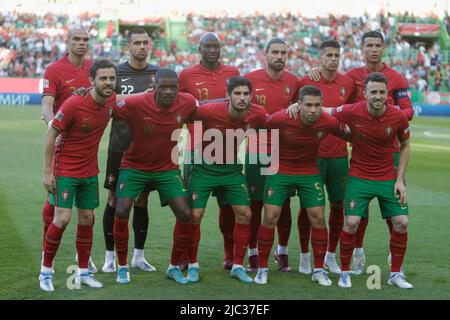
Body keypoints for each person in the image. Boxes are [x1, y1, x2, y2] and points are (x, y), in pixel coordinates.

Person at [308, 31, 413, 274]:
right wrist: (315, 71)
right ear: (362, 49)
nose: (373, 50)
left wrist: (386, 117)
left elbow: (408, 111)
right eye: (369, 46)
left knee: (395, 210)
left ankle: (394, 258)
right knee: (358, 209)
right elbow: (340, 102)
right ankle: (358, 250)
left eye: (378, 45)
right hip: (362, 151)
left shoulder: (396, 78)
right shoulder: (352, 76)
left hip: (391, 149)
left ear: (384, 48)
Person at [111, 69, 198, 285]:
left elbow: (211, 107)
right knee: (121, 210)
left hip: (167, 169)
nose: (168, 91)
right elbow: (105, 106)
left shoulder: (187, 102)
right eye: (163, 87)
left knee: (185, 214)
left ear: (178, 88)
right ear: (154, 86)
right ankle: (122, 267)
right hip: (134, 167)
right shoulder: (136, 102)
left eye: (173, 87)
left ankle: (173, 267)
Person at [254, 85, 346, 286]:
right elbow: (259, 124)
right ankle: (262, 268)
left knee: (319, 219)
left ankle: (319, 270)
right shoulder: (281, 118)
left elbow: (348, 133)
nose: (313, 110)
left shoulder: (328, 121)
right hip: (280, 169)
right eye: (308, 105)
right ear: (299, 105)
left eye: (317, 105)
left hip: (308, 171)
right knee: (270, 216)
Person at [328, 73, 412, 289]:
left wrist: (400, 180)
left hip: (387, 177)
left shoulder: (398, 116)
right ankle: (345, 273)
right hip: (359, 176)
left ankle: (395, 274)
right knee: (352, 222)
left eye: (382, 92)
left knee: (402, 222)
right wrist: (297, 108)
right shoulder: (352, 110)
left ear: (387, 94)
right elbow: (324, 111)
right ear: (364, 94)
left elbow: (405, 146)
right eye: (373, 92)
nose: (377, 96)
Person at [39, 60, 118, 292]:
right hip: (65, 168)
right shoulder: (74, 103)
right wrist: (47, 172)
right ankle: (45, 271)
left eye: (112, 78)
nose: (108, 82)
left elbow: (132, 100)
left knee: (87, 219)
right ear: (92, 81)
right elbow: (50, 134)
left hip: (90, 171)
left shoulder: (111, 101)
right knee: (62, 219)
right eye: (103, 78)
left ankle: (83, 272)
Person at [187, 76, 266, 284]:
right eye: (237, 93)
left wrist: (294, 108)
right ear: (227, 96)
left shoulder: (257, 113)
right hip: (203, 168)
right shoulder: (208, 110)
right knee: (195, 215)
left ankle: (238, 266)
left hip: (231, 169)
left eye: (246, 94)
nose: (242, 98)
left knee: (245, 213)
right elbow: (184, 115)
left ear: (251, 96)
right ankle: (192, 264)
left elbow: (275, 122)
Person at [178, 32, 240, 270]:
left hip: (228, 150)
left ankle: (229, 254)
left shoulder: (232, 73)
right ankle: (185, 255)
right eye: (208, 46)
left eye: (217, 46)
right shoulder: (186, 75)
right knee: (191, 210)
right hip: (196, 150)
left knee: (229, 208)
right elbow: (181, 106)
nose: (213, 50)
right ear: (199, 48)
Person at [101, 28, 159, 274]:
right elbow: (106, 104)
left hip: (147, 148)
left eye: (145, 43)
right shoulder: (116, 73)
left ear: (150, 45)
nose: (142, 47)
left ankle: (138, 256)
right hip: (119, 146)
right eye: (137, 43)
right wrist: (140, 97)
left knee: (142, 201)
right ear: (128, 47)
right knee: (114, 200)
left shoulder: (158, 74)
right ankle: (109, 257)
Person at [41, 28, 97, 274]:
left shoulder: (93, 69)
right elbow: (47, 105)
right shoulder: (54, 70)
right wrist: (56, 126)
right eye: (77, 39)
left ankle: (81, 255)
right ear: (67, 42)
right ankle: (47, 252)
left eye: (85, 40)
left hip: (86, 147)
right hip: (62, 144)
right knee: (55, 199)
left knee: (82, 211)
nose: (82, 43)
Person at [296, 40, 355, 275]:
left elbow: (352, 112)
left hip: (339, 155)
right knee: (308, 207)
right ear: (319, 57)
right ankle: (304, 256)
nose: (333, 58)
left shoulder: (347, 83)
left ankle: (330, 255)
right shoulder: (306, 82)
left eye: (336, 55)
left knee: (338, 206)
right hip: (312, 156)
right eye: (328, 55)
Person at [243, 38, 299, 273]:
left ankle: (282, 252)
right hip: (256, 150)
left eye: (283, 53)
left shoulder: (293, 81)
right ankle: (253, 253)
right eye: (274, 52)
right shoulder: (251, 79)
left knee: (283, 205)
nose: (279, 56)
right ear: (265, 54)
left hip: (284, 151)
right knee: (255, 205)